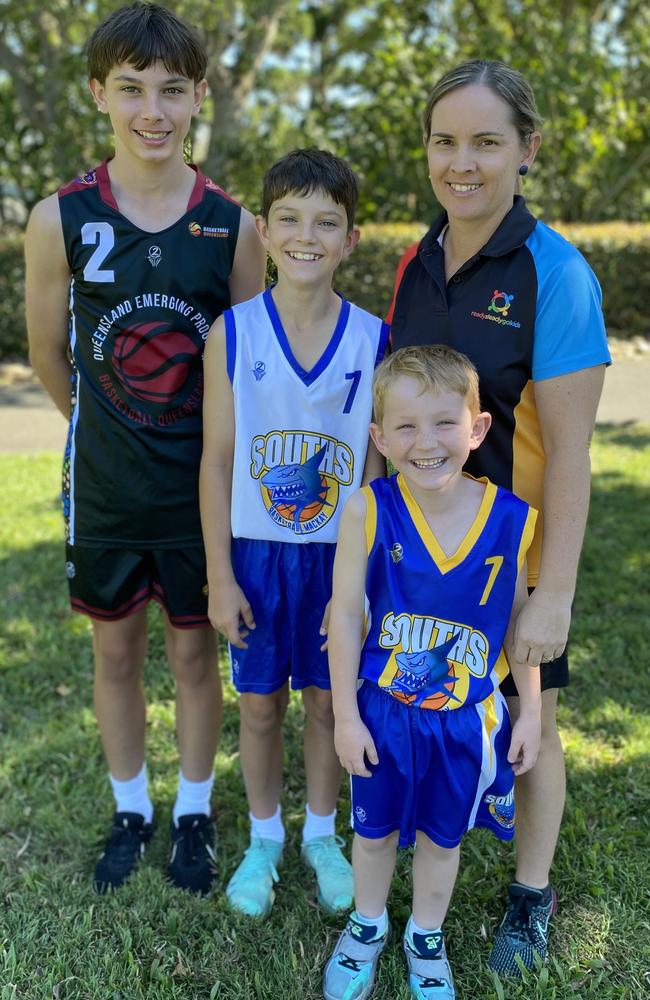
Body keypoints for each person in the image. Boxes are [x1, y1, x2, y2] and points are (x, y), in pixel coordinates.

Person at [24, 2, 266, 895]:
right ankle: (132, 806)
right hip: (107, 486)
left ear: (200, 95)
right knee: (115, 653)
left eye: (171, 89)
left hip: (201, 489)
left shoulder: (233, 227)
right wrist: (104, 424)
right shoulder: (59, 218)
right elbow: (49, 352)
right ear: (99, 93)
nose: (151, 111)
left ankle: (195, 812)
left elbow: (249, 359)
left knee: (197, 655)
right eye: (131, 89)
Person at [387, 60, 610, 974]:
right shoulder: (415, 260)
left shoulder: (555, 274)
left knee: (531, 732)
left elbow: (570, 458)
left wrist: (550, 593)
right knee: (426, 704)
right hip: (418, 557)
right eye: (446, 141)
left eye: (485, 141)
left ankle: (530, 895)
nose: (462, 162)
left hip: (508, 565)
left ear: (527, 149)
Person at [200, 148, 389, 918]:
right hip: (254, 554)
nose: (307, 235)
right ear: (265, 231)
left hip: (338, 560)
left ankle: (320, 833)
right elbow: (215, 463)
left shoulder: (373, 339)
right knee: (259, 705)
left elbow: (377, 480)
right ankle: (263, 838)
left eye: (327, 222)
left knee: (324, 699)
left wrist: (366, 581)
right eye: (290, 219)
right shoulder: (234, 334)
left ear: (349, 239)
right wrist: (219, 575)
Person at [323, 345, 541, 1000]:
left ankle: (425, 933)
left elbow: (518, 625)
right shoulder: (367, 508)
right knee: (374, 829)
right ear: (380, 437)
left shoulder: (511, 520)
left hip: (464, 721)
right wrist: (344, 715)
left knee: (444, 839)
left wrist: (529, 710)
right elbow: (347, 618)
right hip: (384, 710)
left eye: (445, 423)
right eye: (407, 426)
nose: (427, 443)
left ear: (477, 430)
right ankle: (366, 925)